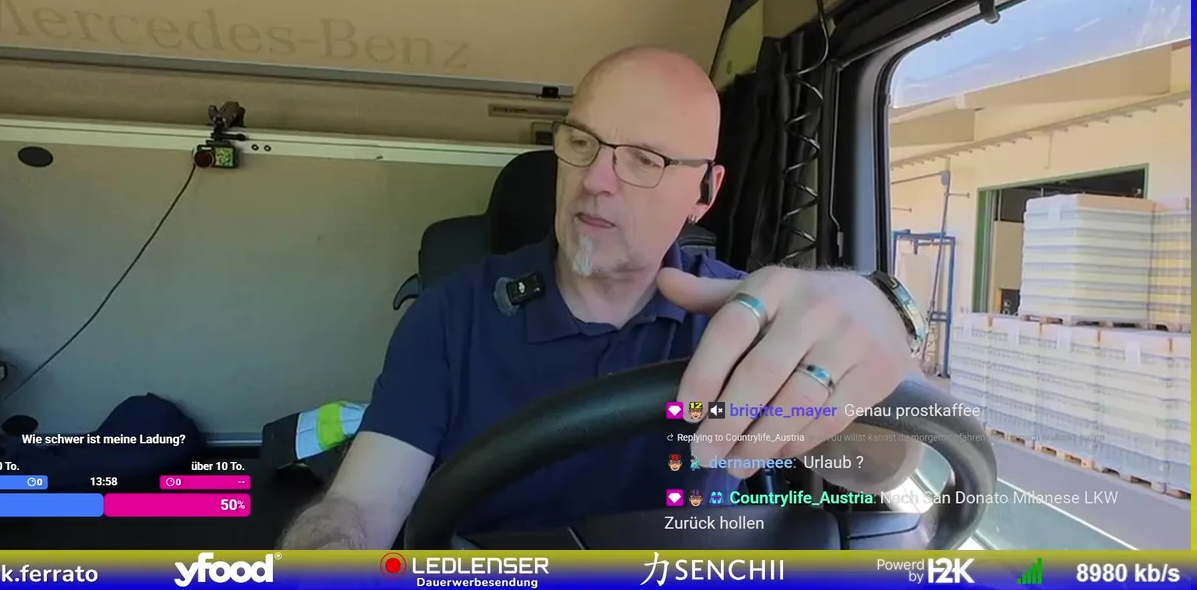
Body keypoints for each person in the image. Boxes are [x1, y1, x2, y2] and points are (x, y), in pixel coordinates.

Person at [281, 47, 924, 550]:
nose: (595, 180)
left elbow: (883, 467)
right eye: (582, 142)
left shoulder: (749, 315)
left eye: (643, 159)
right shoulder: (450, 318)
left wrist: (875, 325)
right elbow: (359, 506)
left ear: (705, 191)